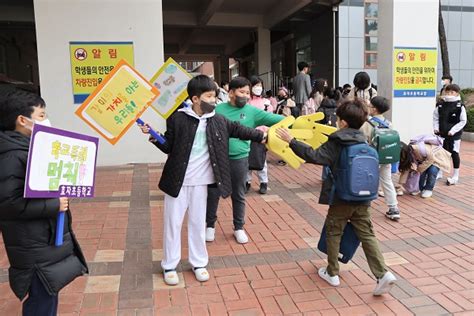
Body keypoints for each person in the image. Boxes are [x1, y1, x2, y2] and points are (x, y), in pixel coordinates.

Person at [139, 75, 265, 285]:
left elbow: (240, 130)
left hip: (201, 183)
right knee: (173, 223)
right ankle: (170, 265)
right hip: (177, 182)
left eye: (215, 96)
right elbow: (168, 146)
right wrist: (153, 136)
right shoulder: (178, 119)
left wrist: (262, 136)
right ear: (195, 99)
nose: (213, 100)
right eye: (209, 96)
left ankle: (198, 262)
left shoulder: (218, 120)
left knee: (198, 223)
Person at [276, 98, 396, 295]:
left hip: (342, 196)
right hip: (364, 198)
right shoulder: (364, 140)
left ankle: (332, 272)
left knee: (334, 231)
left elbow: (315, 156)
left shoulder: (338, 141)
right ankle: (382, 273)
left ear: (343, 122)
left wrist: (291, 141)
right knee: (367, 234)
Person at [0, 90, 88, 316]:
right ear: (22, 120)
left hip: (41, 241)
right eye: (41, 115)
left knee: (48, 295)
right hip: (32, 246)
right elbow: (8, 204)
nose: (46, 119)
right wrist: (54, 205)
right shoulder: (11, 155)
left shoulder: (29, 148)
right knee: (41, 300)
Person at [206, 77, 284, 244]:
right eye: (242, 92)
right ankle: (209, 226)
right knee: (213, 193)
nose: (246, 96)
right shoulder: (217, 110)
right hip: (217, 158)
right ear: (231, 93)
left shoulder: (252, 111)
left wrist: (298, 122)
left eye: (248, 92)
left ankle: (239, 228)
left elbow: (278, 121)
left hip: (240, 159)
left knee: (239, 194)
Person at [360, 96, 401, 220]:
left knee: (367, 181)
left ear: (375, 109)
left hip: (371, 158)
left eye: (370, 106)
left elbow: (362, 139)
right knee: (387, 181)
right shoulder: (389, 123)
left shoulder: (367, 124)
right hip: (385, 157)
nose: (368, 107)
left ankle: (363, 208)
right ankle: (393, 208)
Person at [433, 84, 467, 185]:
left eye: (452, 92)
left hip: (454, 136)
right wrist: (436, 128)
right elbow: (435, 118)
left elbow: (463, 121)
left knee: (454, 153)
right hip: (441, 134)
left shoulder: (460, 106)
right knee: (441, 153)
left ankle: (455, 175)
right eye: (447, 92)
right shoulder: (440, 104)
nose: (449, 94)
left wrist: (453, 130)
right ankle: (440, 172)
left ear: (457, 93)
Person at [247, 76, 273, 194]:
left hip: (262, 134)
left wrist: (267, 134)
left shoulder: (266, 103)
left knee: (261, 159)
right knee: (247, 159)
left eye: (260, 85)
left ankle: (264, 182)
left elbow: (270, 119)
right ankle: (247, 182)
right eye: (255, 85)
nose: (258, 88)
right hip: (247, 134)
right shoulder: (246, 102)